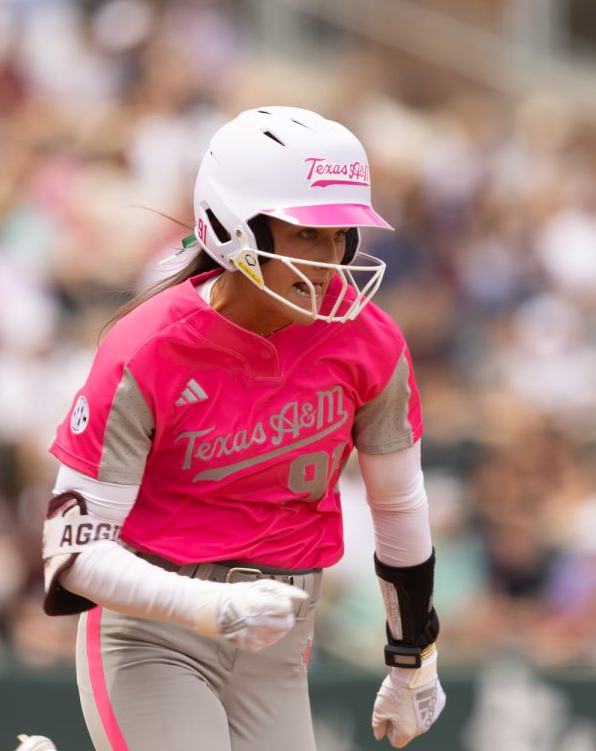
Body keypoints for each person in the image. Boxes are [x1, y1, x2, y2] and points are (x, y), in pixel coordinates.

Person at [39, 106, 446, 750]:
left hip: (279, 638)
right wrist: (209, 608)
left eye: (340, 235)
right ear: (233, 225)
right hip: (155, 629)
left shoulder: (370, 341)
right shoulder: (147, 348)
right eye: (307, 234)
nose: (331, 258)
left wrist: (412, 659)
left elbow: (399, 507)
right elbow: (73, 552)